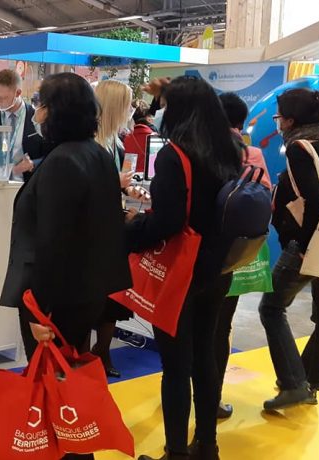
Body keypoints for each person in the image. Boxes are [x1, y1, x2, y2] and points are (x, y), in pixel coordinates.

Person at [0, 72, 132, 460]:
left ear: (55, 111)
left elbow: (53, 243)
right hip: (85, 293)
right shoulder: (96, 154)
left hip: (54, 300)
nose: (36, 110)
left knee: (54, 389)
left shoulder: (61, 162)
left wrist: (42, 310)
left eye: (42, 103)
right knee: (69, 383)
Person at [131, 76, 242, 460]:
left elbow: (166, 222)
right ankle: (207, 445)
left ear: (177, 111)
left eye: (164, 104)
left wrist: (128, 229)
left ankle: (175, 452)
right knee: (205, 358)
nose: (160, 111)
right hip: (218, 269)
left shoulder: (174, 155)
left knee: (175, 366)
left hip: (183, 272)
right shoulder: (232, 148)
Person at [259, 88, 319, 410]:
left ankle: (293, 384)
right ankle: (309, 383)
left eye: (278, 117)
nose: (277, 123)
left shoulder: (299, 149)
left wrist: (306, 247)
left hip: (316, 244)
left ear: (289, 120)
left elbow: (317, 200)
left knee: (272, 307)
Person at [213, 92, 272, 419]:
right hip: (236, 255)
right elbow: (266, 202)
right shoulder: (253, 154)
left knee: (189, 327)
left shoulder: (201, 151)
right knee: (221, 329)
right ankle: (213, 398)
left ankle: (179, 388)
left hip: (199, 255)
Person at [89, 79, 138, 378]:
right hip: (93, 232)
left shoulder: (114, 142)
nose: (131, 110)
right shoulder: (91, 143)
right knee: (93, 298)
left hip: (112, 228)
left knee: (113, 297)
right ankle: (89, 354)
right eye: (128, 104)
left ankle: (103, 351)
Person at [0, 69, 48, 181]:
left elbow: (48, 155)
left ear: (18, 93)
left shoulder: (37, 117)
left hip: (27, 184)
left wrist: (32, 164)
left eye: (3, 98)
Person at [123, 99, 158, 174]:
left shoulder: (127, 139)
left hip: (131, 181)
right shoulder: (155, 138)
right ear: (148, 116)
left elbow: (127, 170)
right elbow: (153, 170)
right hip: (150, 180)